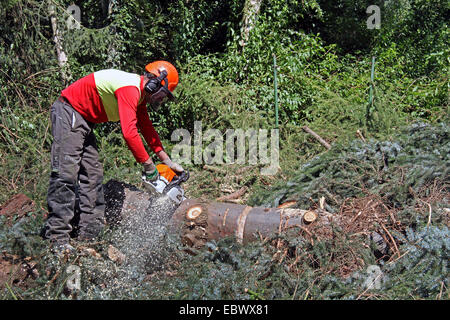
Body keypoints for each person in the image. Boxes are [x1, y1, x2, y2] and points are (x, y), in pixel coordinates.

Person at [43, 60, 184, 255]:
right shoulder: (130, 89)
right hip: (70, 113)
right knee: (66, 174)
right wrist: (150, 168)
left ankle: (88, 238)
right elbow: (129, 132)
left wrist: (167, 161)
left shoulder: (140, 97)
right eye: (164, 94)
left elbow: (147, 129)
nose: (162, 99)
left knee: (92, 175)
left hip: (84, 121)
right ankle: (57, 239)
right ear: (156, 81)